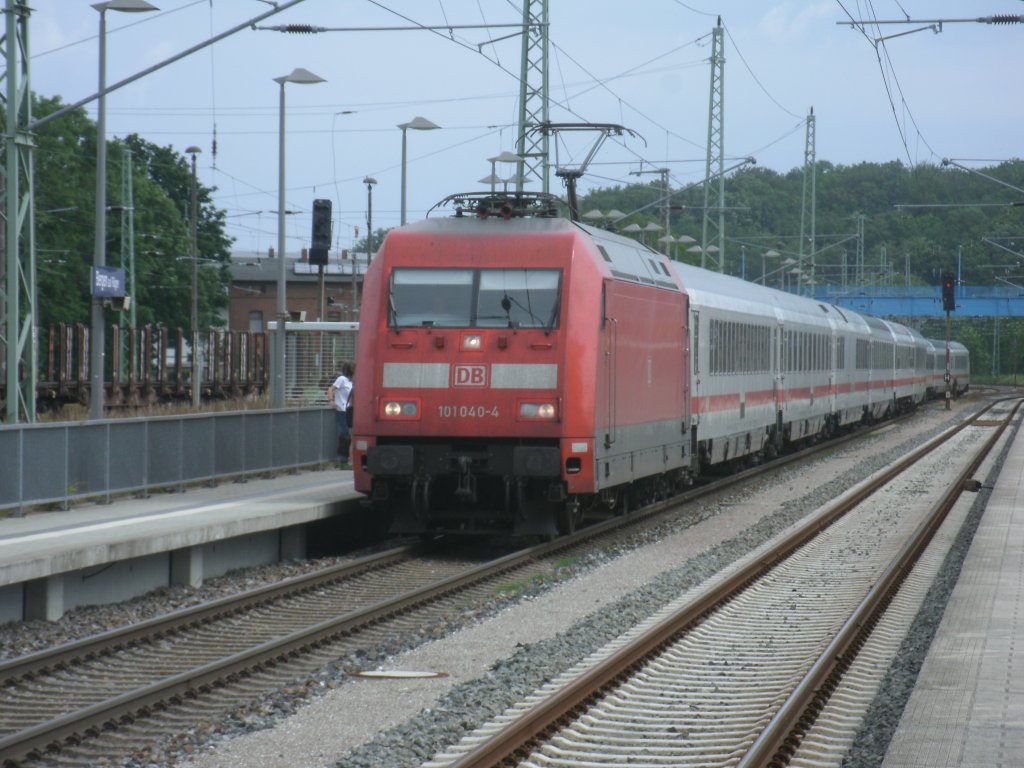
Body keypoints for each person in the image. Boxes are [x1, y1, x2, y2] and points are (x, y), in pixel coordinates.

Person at [327, 361, 354, 469]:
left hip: (349, 410)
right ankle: (342, 460)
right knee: (345, 433)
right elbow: (330, 389)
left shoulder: (352, 382)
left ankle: (347, 460)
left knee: (350, 435)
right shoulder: (342, 379)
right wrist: (331, 400)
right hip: (341, 410)